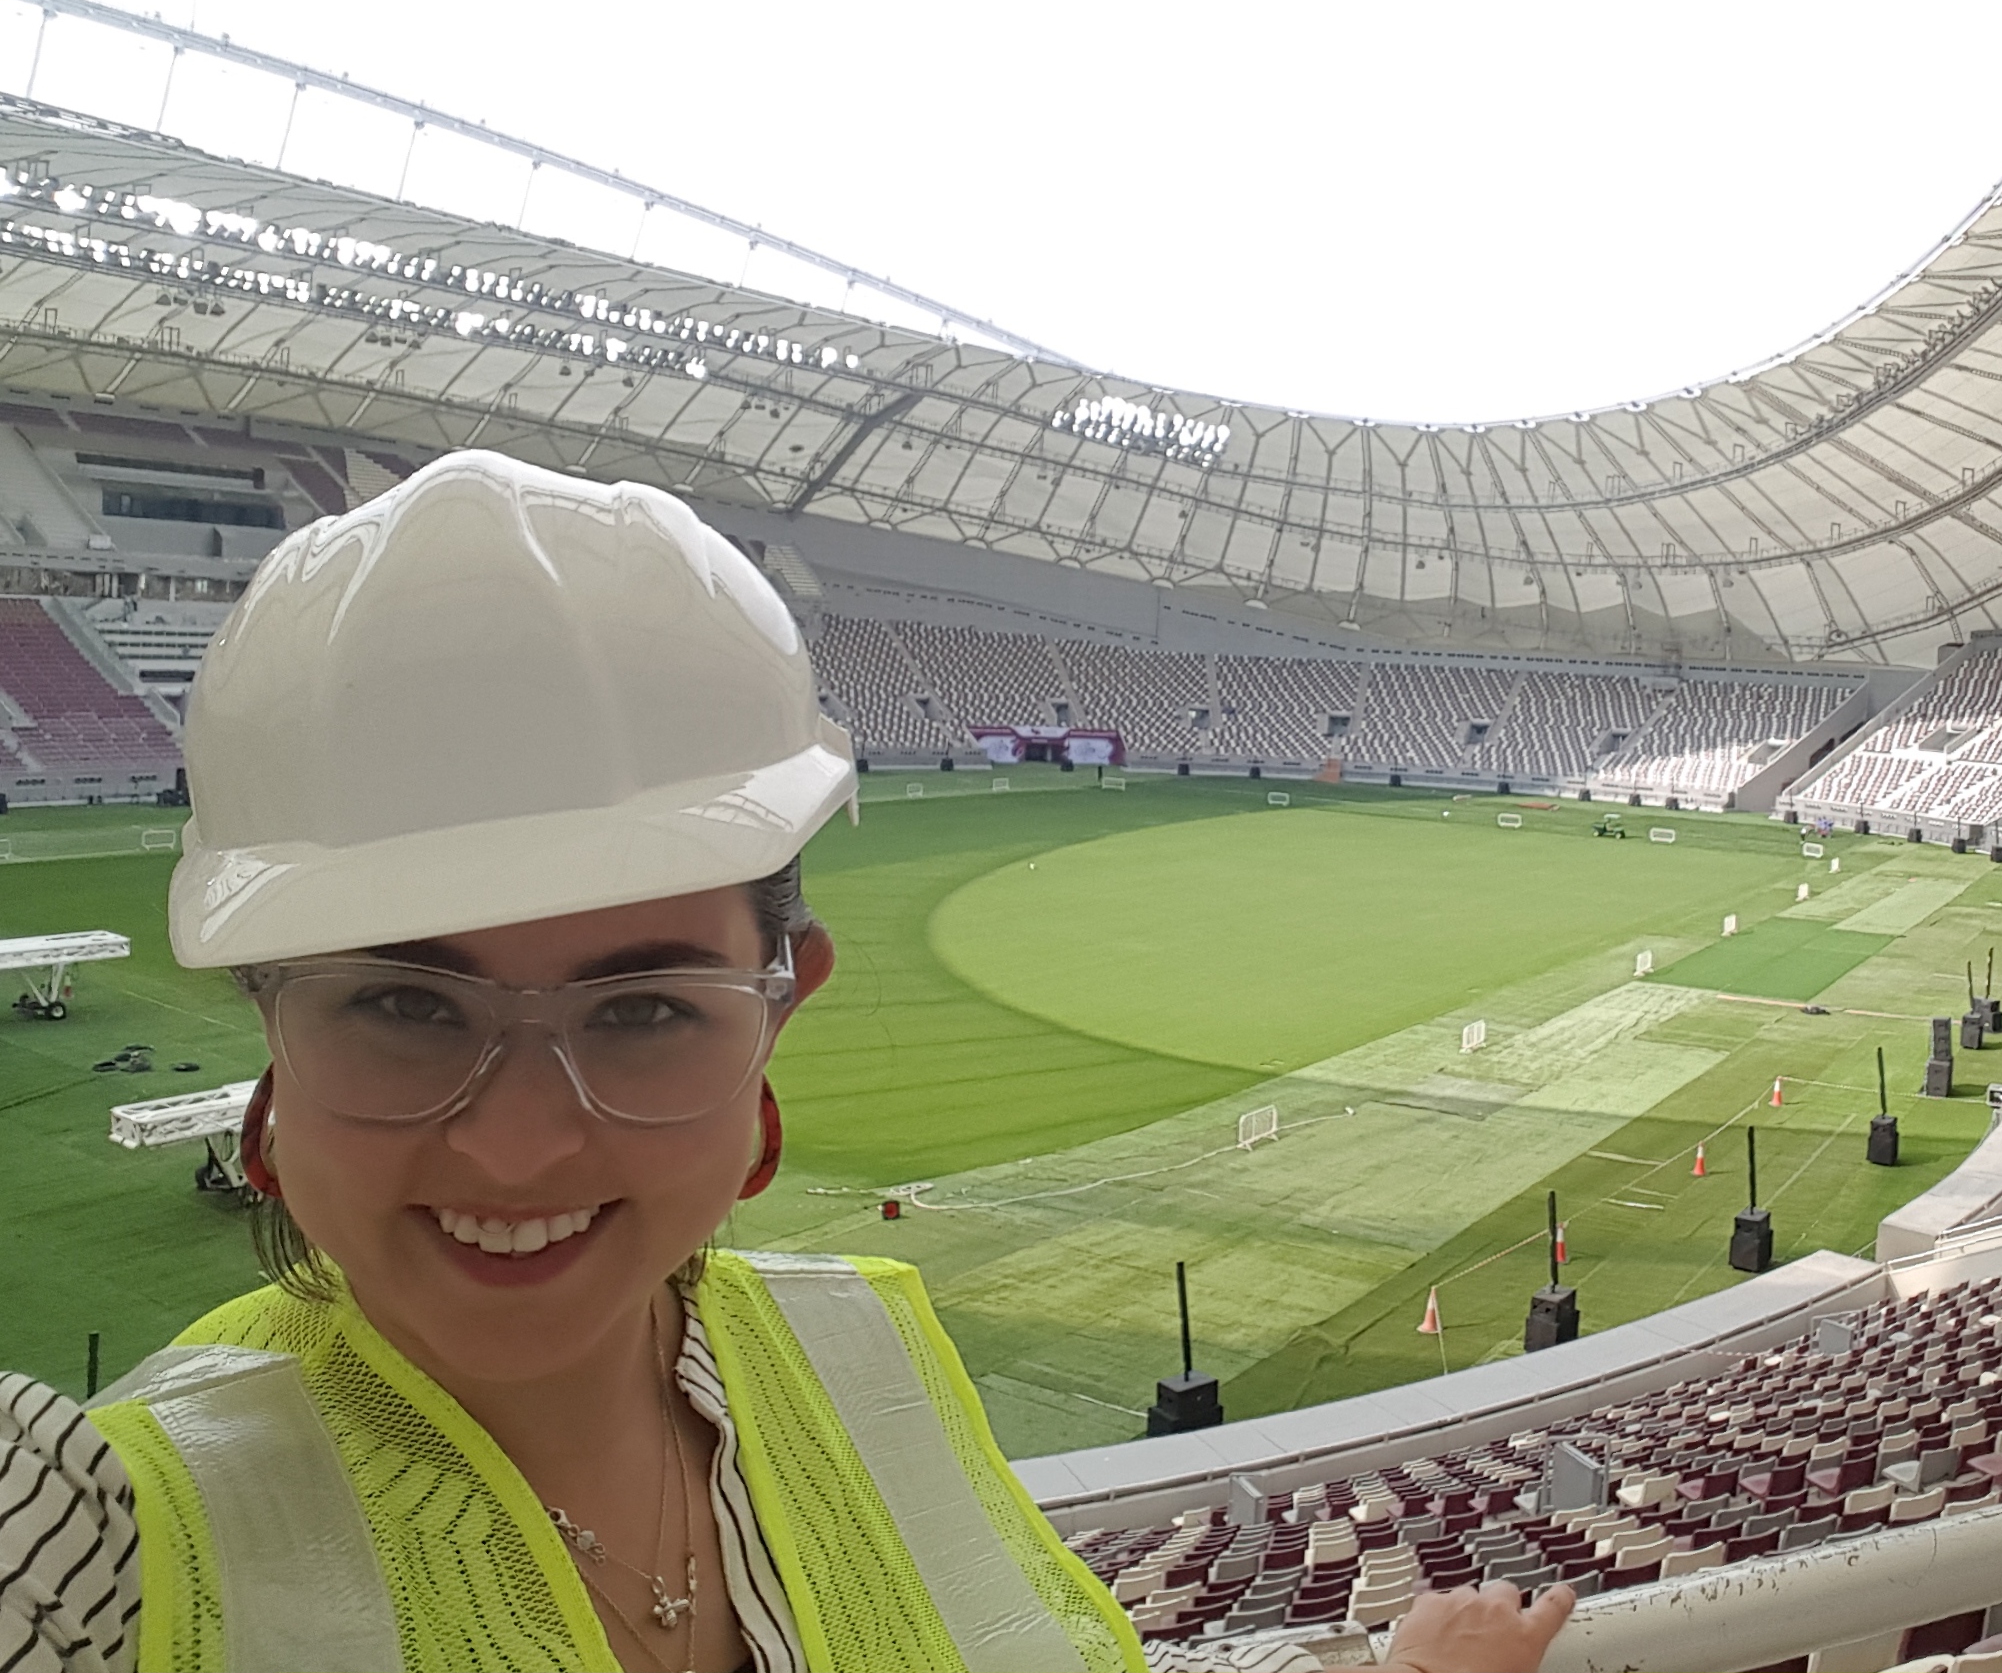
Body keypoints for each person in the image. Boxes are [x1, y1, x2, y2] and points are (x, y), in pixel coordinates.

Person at [0, 451, 1573, 1673]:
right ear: (269, 1025)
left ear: (783, 1001)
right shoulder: (113, 1538)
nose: (522, 1149)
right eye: (408, 1008)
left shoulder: (864, 1346)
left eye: (642, 1010)